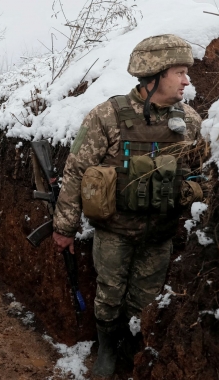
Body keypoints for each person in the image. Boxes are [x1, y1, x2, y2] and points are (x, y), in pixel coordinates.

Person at [52, 34, 203, 378]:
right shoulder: (107, 116)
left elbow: (201, 173)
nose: (187, 80)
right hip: (113, 232)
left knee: (144, 302)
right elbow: (75, 171)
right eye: (179, 72)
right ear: (155, 74)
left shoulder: (190, 122)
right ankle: (106, 350)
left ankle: (132, 352)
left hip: (160, 235)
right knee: (108, 297)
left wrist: (190, 191)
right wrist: (64, 227)